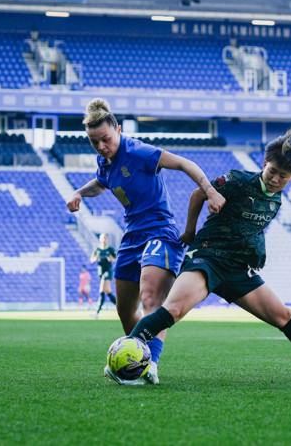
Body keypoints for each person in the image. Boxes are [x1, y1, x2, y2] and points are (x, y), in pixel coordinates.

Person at [126, 128, 291, 382]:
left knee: (284, 315)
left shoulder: (277, 200)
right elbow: (198, 193)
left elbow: (251, 229)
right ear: (265, 164)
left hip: (239, 270)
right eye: (272, 171)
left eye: (282, 176)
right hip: (208, 258)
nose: (275, 179)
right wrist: (189, 232)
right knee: (173, 309)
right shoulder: (237, 180)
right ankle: (137, 362)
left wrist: (256, 254)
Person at [67, 98, 226, 385]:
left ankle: (151, 363)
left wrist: (210, 190)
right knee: (125, 309)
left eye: (105, 139)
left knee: (152, 298)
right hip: (132, 236)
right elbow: (101, 183)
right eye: (94, 143)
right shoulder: (105, 161)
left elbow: (183, 163)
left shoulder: (137, 150)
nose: (101, 146)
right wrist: (79, 192)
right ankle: (134, 358)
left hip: (160, 231)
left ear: (117, 129)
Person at [91, 233, 118, 317]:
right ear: (99, 239)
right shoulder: (97, 249)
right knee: (108, 292)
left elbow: (117, 259)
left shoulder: (110, 249)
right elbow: (91, 260)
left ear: (107, 239)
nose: (104, 239)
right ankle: (122, 308)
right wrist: (94, 259)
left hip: (107, 271)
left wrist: (112, 259)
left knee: (101, 290)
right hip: (100, 272)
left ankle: (97, 312)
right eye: (102, 238)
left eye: (105, 238)